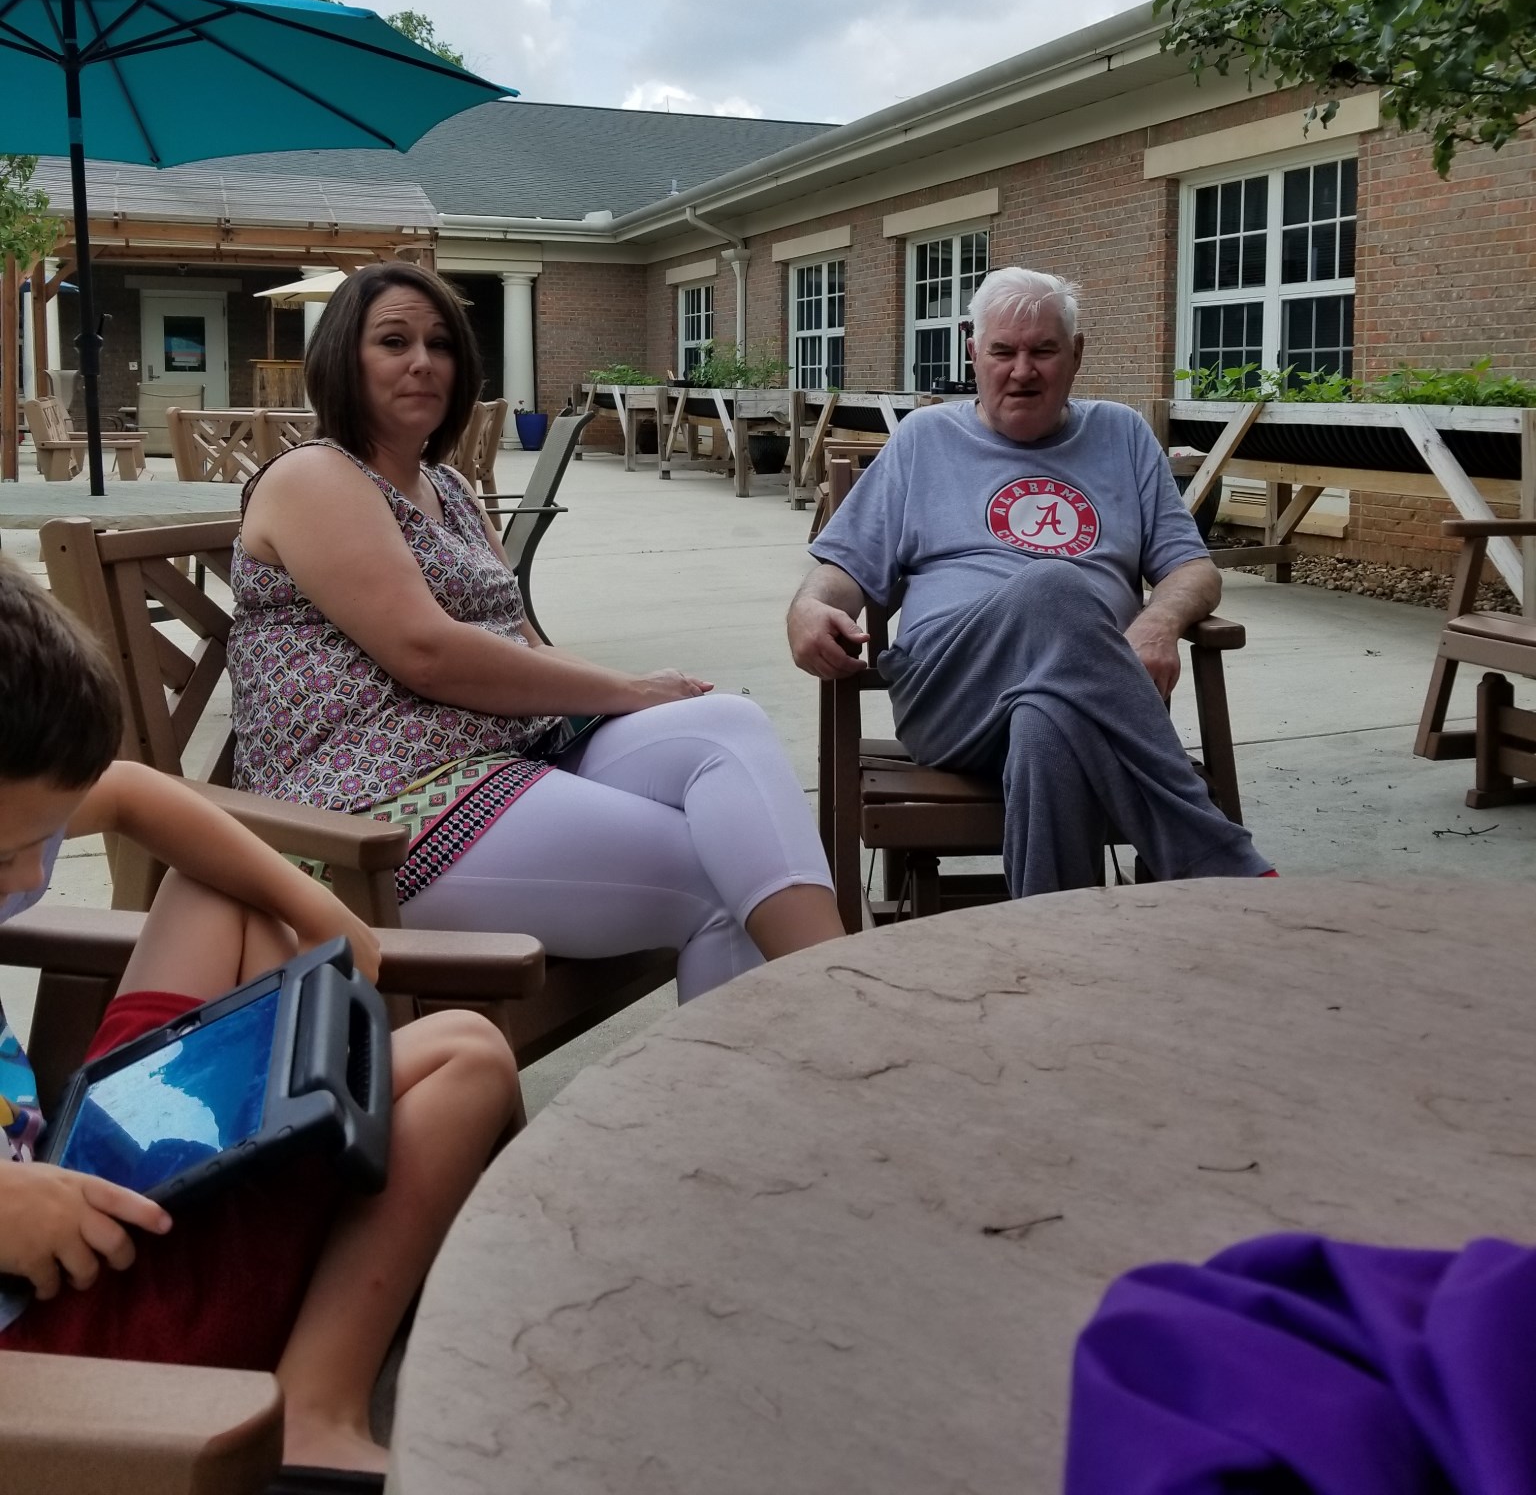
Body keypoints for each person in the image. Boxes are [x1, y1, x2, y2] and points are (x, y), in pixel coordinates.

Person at [0, 559, 521, 1474]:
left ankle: (278, 1135)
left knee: (220, 895)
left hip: (78, 1173)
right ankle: (315, 1408)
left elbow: (134, 792)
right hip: (61, 1353)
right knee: (464, 1056)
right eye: (3, 855)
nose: (29, 877)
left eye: (43, 841)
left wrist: (320, 909)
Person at [229, 261, 842, 1000]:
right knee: (720, 882)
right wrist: (629, 690)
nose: (423, 362)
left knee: (728, 726)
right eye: (393, 341)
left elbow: (522, 641)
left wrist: (633, 694)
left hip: (504, 756)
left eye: (440, 344)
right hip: (375, 812)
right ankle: (834, 1021)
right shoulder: (315, 477)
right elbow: (428, 655)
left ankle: (846, 999)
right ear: (341, 360)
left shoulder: (449, 487)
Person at [787, 266, 1273, 896]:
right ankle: (1216, 860)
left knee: (1049, 723)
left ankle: (1051, 943)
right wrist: (808, 606)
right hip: (950, 694)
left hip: (1088, 699)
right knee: (1054, 586)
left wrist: (1158, 622)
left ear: (1076, 355)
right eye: (1003, 352)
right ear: (973, 353)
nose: (1022, 371)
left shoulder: (1121, 435)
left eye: (1043, 350)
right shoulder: (925, 440)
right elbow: (844, 568)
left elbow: (1193, 567)